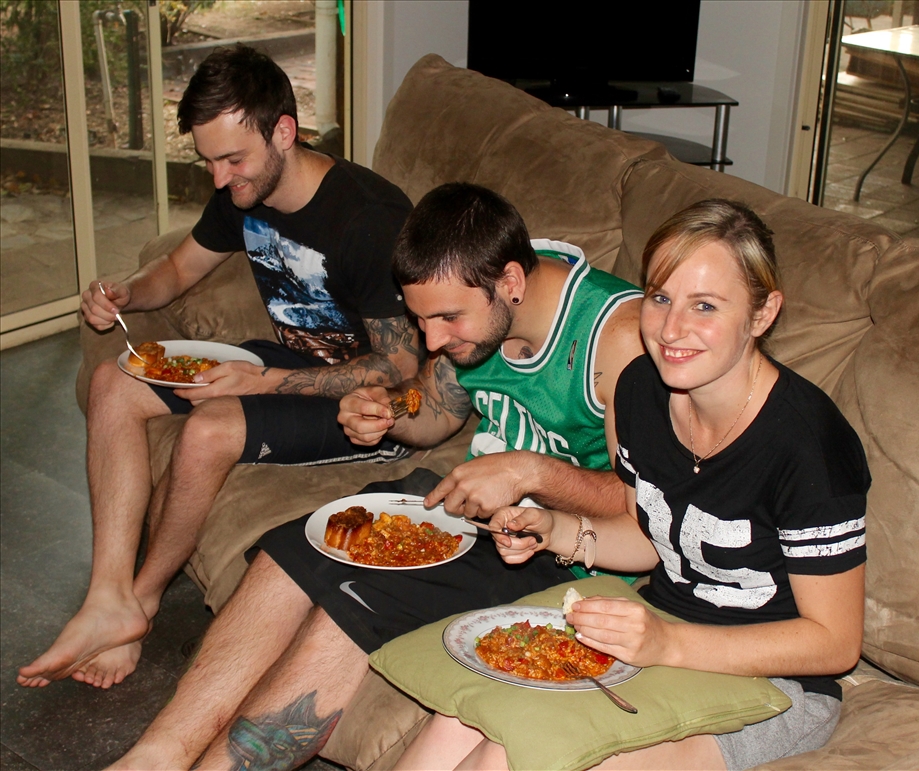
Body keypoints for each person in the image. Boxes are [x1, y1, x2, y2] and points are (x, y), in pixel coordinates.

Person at [105, 182, 646, 770]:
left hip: (558, 547)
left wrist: (527, 471)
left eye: (447, 319)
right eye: (421, 319)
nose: (433, 339)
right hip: (466, 504)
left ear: (511, 282)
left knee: (350, 609)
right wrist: (384, 412)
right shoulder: (476, 295)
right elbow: (434, 411)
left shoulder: (619, 339)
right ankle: (153, 758)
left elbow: (642, 509)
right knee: (292, 554)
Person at [393, 199, 870, 771]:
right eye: (661, 298)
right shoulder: (642, 389)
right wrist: (555, 530)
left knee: (516, 755)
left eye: (705, 305)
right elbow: (651, 537)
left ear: (763, 313)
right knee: (454, 724)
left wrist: (667, 643)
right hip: (656, 634)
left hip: (775, 683)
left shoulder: (810, 443)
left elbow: (835, 643)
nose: (671, 329)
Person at [17, 44, 419, 691]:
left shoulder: (370, 220)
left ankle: (139, 602)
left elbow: (399, 367)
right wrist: (125, 292)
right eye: (208, 161)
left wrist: (265, 382)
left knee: (209, 430)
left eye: (232, 159)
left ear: (283, 131)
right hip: (291, 360)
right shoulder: (242, 192)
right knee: (114, 382)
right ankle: (106, 594)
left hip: (368, 407)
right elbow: (179, 270)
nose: (219, 178)